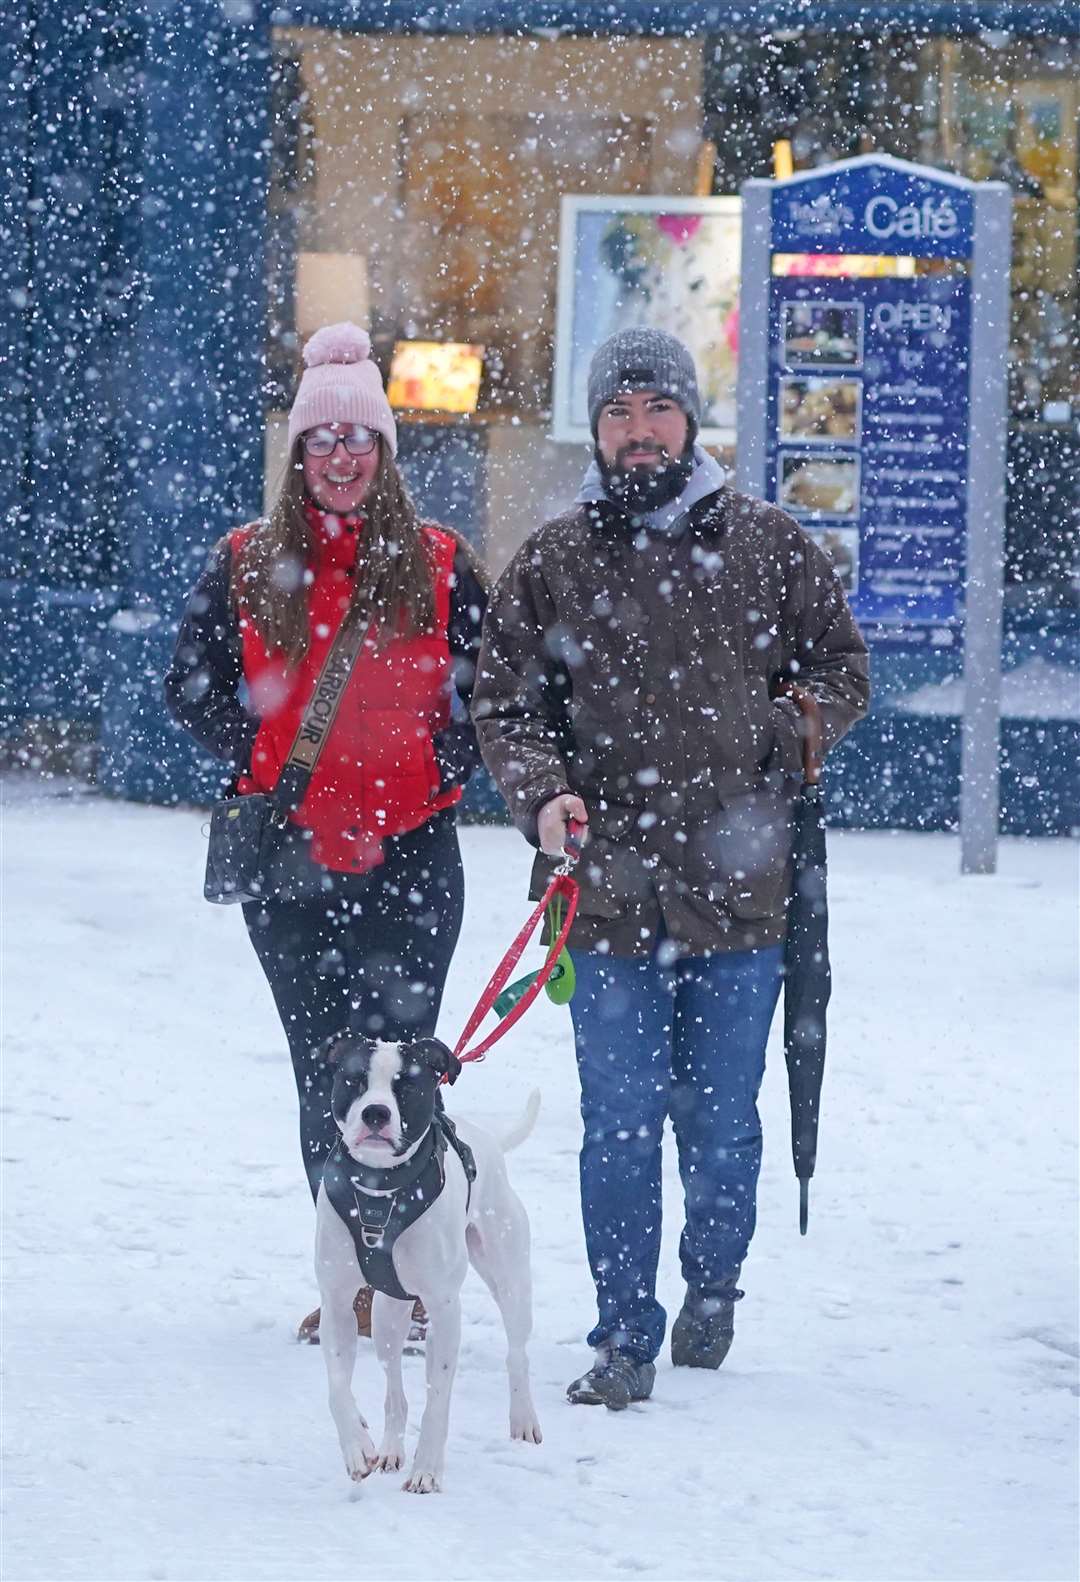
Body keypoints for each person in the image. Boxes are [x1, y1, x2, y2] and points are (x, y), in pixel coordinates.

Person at [472, 328, 869, 1410]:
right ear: (595, 431)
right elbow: (502, 698)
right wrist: (543, 789)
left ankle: (714, 1285)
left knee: (722, 1120)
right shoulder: (553, 560)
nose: (637, 432)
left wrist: (790, 732)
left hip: (742, 895)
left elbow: (843, 668)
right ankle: (621, 1333)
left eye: (655, 411)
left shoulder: (770, 545)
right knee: (619, 1120)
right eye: (617, 414)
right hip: (602, 895)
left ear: (690, 422)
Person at [164, 322, 488, 1342]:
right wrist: (270, 760)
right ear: (298, 454)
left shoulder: (440, 562)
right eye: (323, 440)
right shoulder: (245, 562)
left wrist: (419, 782)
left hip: (413, 860)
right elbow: (190, 686)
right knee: (329, 1074)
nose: (341, 457)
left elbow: (488, 699)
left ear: (385, 453)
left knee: (404, 1075)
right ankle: (353, 1282)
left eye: (360, 439)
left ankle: (415, 1280)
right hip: (293, 866)